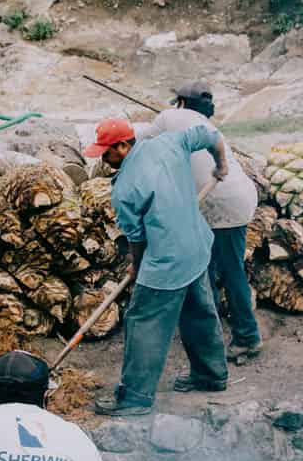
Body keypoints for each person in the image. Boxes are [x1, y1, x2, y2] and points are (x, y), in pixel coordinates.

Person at [85, 115, 232, 417]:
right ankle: (211, 375)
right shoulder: (170, 142)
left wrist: (137, 267)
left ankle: (135, 397)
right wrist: (221, 164)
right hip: (195, 246)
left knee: (143, 322)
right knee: (199, 312)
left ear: (123, 146)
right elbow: (210, 134)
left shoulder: (124, 187)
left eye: (107, 151)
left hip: (166, 261)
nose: (104, 158)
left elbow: (136, 238)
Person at [140, 81, 262, 364]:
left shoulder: (169, 117)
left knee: (218, 270)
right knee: (222, 269)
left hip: (218, 200)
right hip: (235, 197)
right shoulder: (205, 125)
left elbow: (140, 143)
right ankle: (222, 334)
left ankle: (243, 337)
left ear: (180, 102)